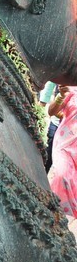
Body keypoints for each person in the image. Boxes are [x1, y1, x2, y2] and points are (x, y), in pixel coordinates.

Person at [49, 86, 77, 217]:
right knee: (61, 175)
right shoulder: (71, 89)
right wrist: (61, 96)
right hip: (65, 144)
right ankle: (52, 214)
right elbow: (52, 111)